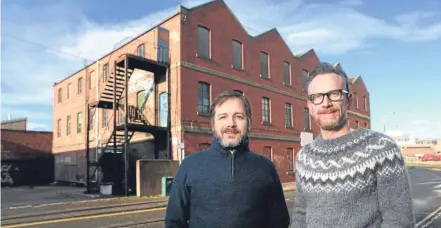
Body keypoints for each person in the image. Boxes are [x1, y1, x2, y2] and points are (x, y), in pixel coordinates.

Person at [291, 63, 415, 227]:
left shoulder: (382, 149)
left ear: (348, 100)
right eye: (317, 96)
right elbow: (300, 215)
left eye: (334, 94)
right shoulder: (304, 157)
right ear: (310, 106)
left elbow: (399, 221)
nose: (326, 103)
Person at [165, 91, 290, 228]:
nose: (231, 123)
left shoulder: (266, 168)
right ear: (213, 125)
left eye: (239, 116)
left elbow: (280, 222)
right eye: (223, 117)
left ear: (248, 123)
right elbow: (174, 222)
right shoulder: (189, 166)